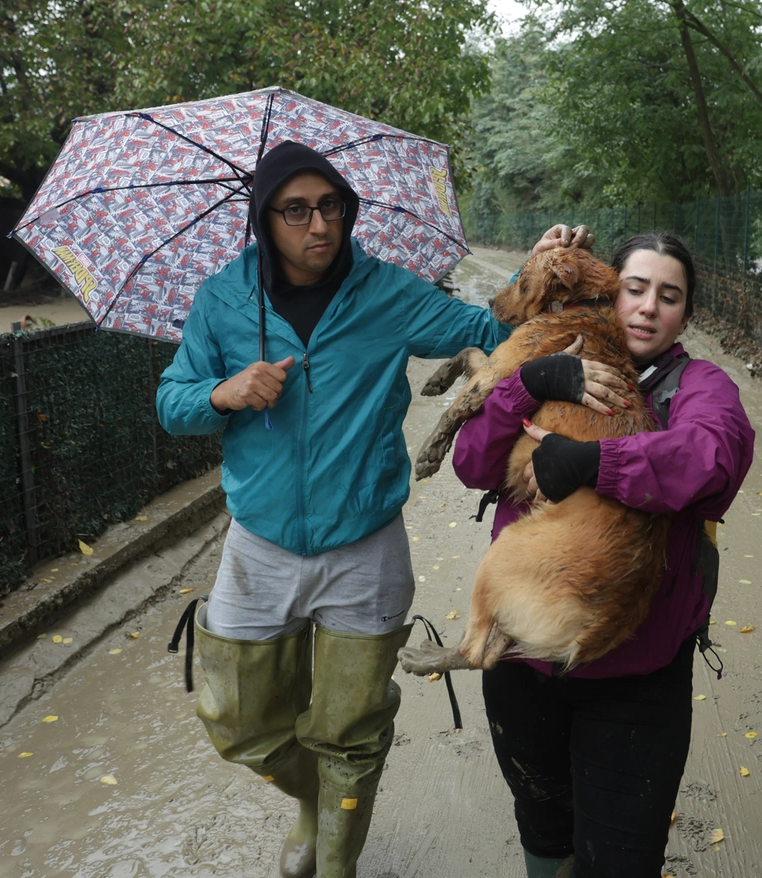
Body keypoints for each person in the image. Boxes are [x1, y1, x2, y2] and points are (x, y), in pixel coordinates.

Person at [155, 141, 512, 878]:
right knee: (238, 723)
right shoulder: (222, 299)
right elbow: (171, 402)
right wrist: (223, 394)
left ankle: (337, 859)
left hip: (365, 546)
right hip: (259, 546)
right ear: (265, 219)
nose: (320, 225)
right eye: (297, 210)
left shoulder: (387, 293)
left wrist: (534, 279)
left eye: (333, 207)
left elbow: (488, 330)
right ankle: (317, 800)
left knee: (350, 731)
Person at [450, 226, 756, 877]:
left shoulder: (698, 386)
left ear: (685, 314)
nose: (647, 307)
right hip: (524, 666)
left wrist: (595, 461)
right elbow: (472, 464)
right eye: (635, 288)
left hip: (637, 680)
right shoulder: (554, 358)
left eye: (668, 296)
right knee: (543, 830)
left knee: (620, 856)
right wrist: (528, 383)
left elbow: (712, 460)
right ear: (605, 293)